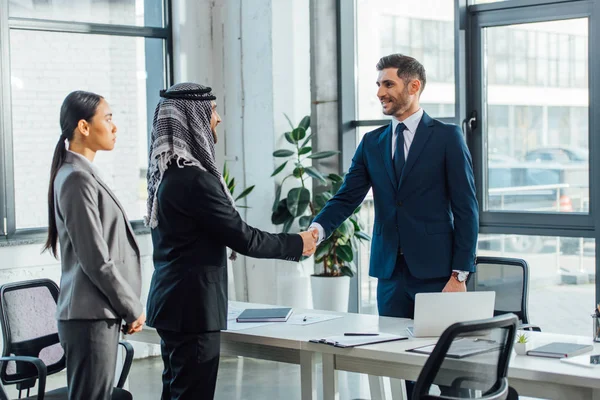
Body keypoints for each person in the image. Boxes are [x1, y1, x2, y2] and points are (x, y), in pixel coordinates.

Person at [309, 53, 478, 395]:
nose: (380, 92)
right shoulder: (372, 142)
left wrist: (460, 274)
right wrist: (316, 230)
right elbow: (346, 197)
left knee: (445, 368)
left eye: (388, 84)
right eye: (378, 85)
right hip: (390, 275)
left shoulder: (447, 137)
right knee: (399, 365)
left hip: (437, 275)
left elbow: (466, 209)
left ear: (413, 86)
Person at [145, 82, 316, 400]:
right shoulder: (195, 180)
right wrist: (296, 243)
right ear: (192, 119)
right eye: (212, 111)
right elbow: (244, 238)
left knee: (175, 392)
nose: (219, 118)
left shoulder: (167, 176)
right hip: (193, 310)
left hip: (172, 307)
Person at [43, 90, 145, 400]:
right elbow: (95, 257)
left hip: (96, 313)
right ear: (84, 127)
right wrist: (131, 306)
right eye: (109, 119)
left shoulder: (80, 173)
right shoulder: (76, 177)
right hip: (89, 316)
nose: (115, 127)